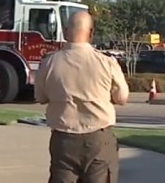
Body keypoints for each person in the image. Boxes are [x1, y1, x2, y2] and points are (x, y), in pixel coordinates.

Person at [35, 10, 129, 183]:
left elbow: (40, 96)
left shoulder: (49, 63)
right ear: (91, 33)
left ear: (64, 31)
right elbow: (122, 97)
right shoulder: (106, 62)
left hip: (63, 140)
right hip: (98, 140)